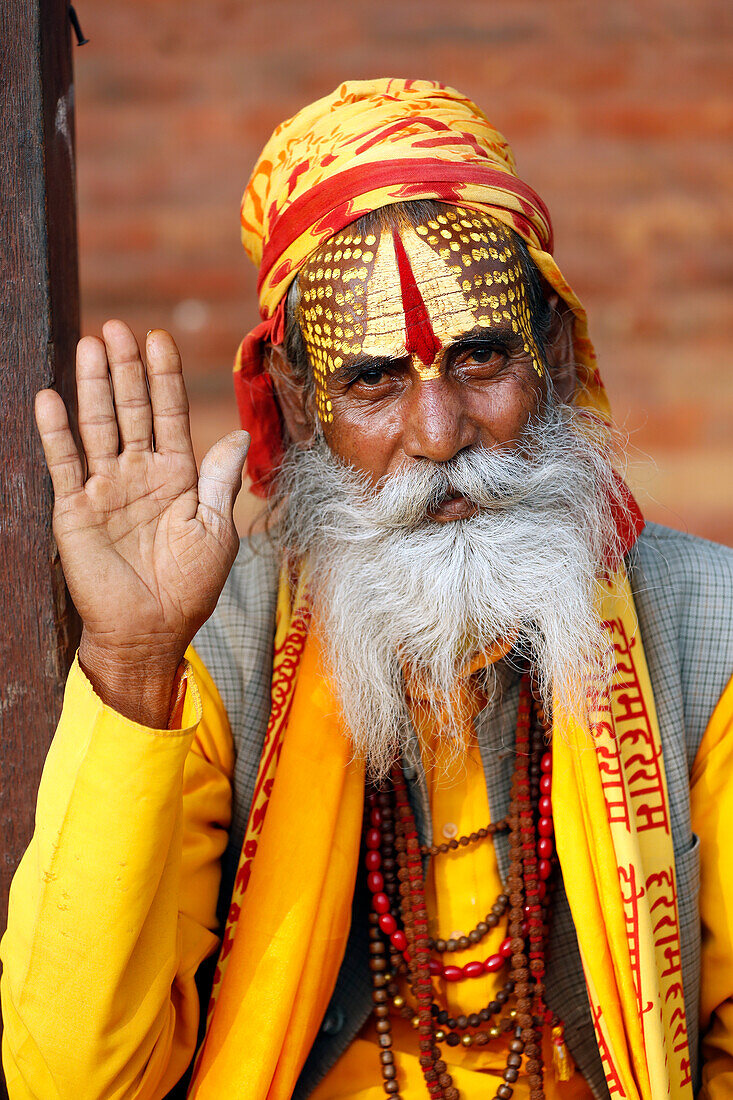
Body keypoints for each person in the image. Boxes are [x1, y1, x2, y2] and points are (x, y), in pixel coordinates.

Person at [2, 78, 732, 1100]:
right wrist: (128, 662)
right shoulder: (206, 648)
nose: (439, 437)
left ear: (556, 359)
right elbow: (70, 1079)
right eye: (374, 380)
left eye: (480, 358)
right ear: (299, 404)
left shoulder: (710, 632)